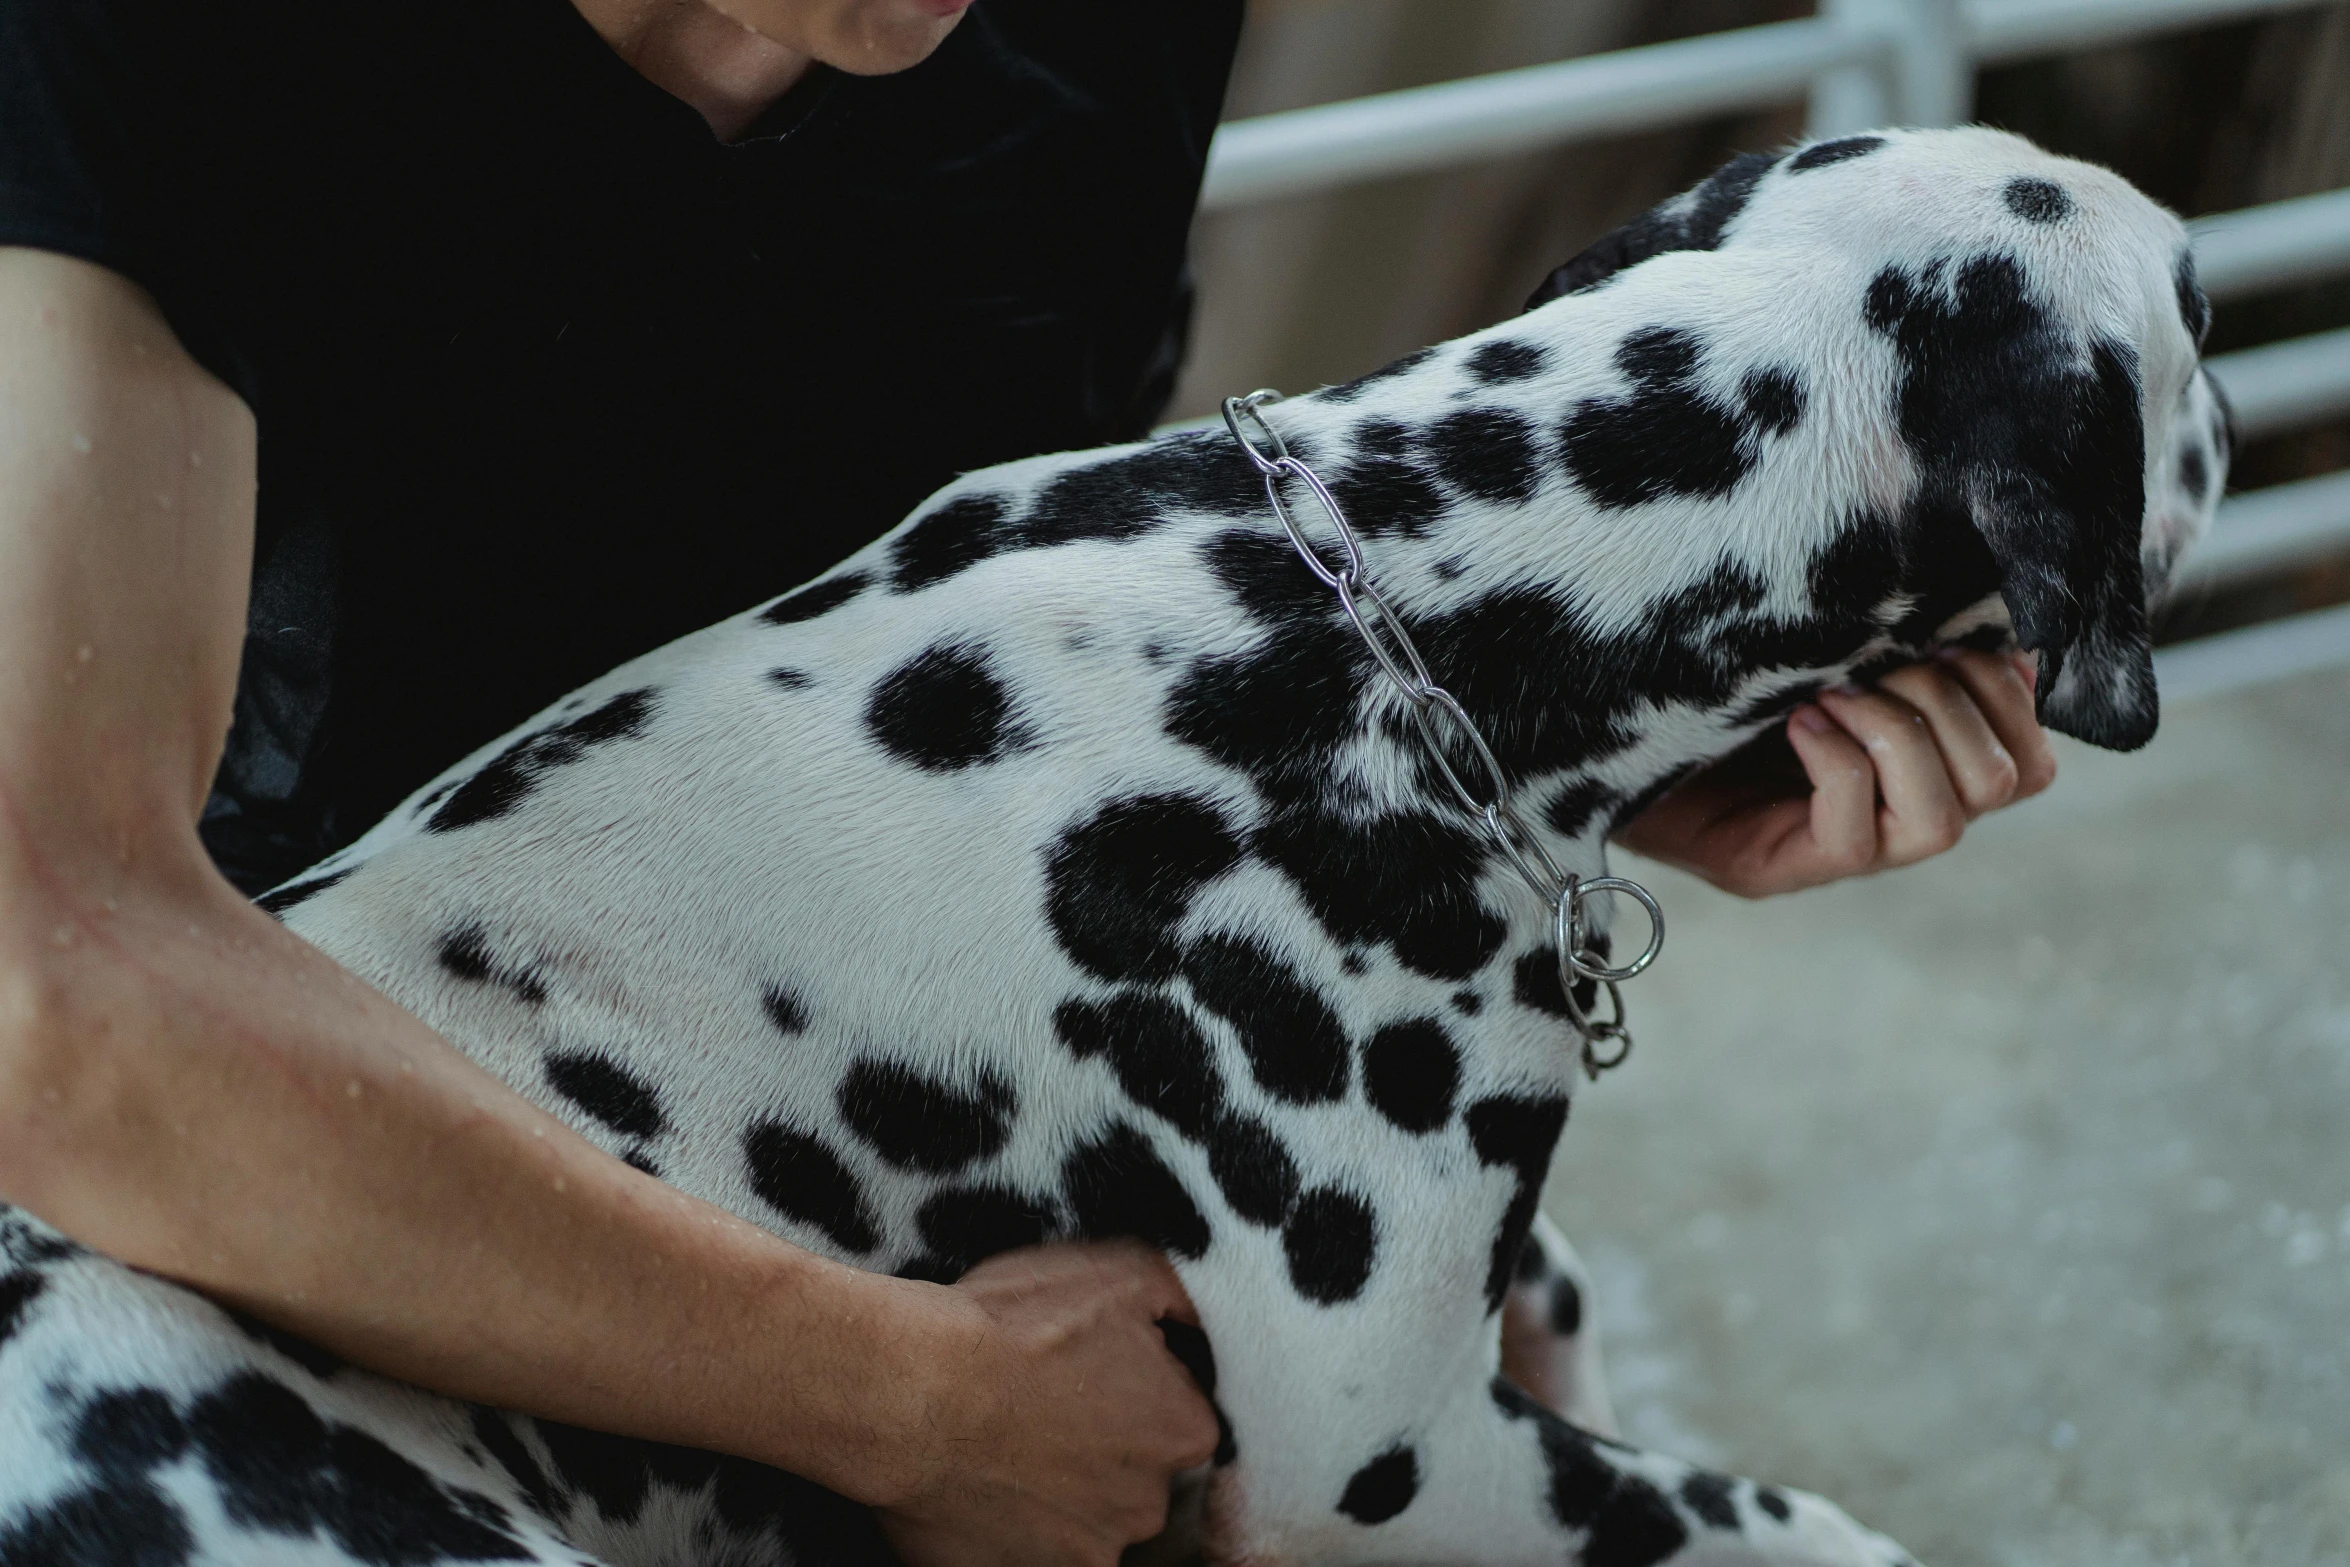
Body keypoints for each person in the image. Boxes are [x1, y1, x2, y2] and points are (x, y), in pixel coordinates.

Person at [0, 0, 2056, 1561]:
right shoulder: (142, 45)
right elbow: (68, 1002)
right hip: (237, 1213)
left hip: (880, 1110)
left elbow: (1079, 641)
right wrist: (911, 1404)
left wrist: (1576, 752)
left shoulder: (1096, 38)